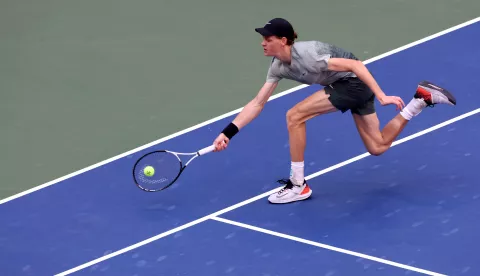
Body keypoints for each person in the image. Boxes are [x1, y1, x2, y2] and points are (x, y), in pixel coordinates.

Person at [212, 18, 456, 204]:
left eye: (268, 38)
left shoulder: (308, 56)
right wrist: (228, 132)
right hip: (346, 85)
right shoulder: (277, 67)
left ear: (283, 40)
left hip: (353, 83)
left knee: (294, 116)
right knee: (378, 146)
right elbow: (258, 102)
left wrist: (381, 95)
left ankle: (298, 184)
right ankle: (420, 100)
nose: (263, 42)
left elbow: (355, 65)